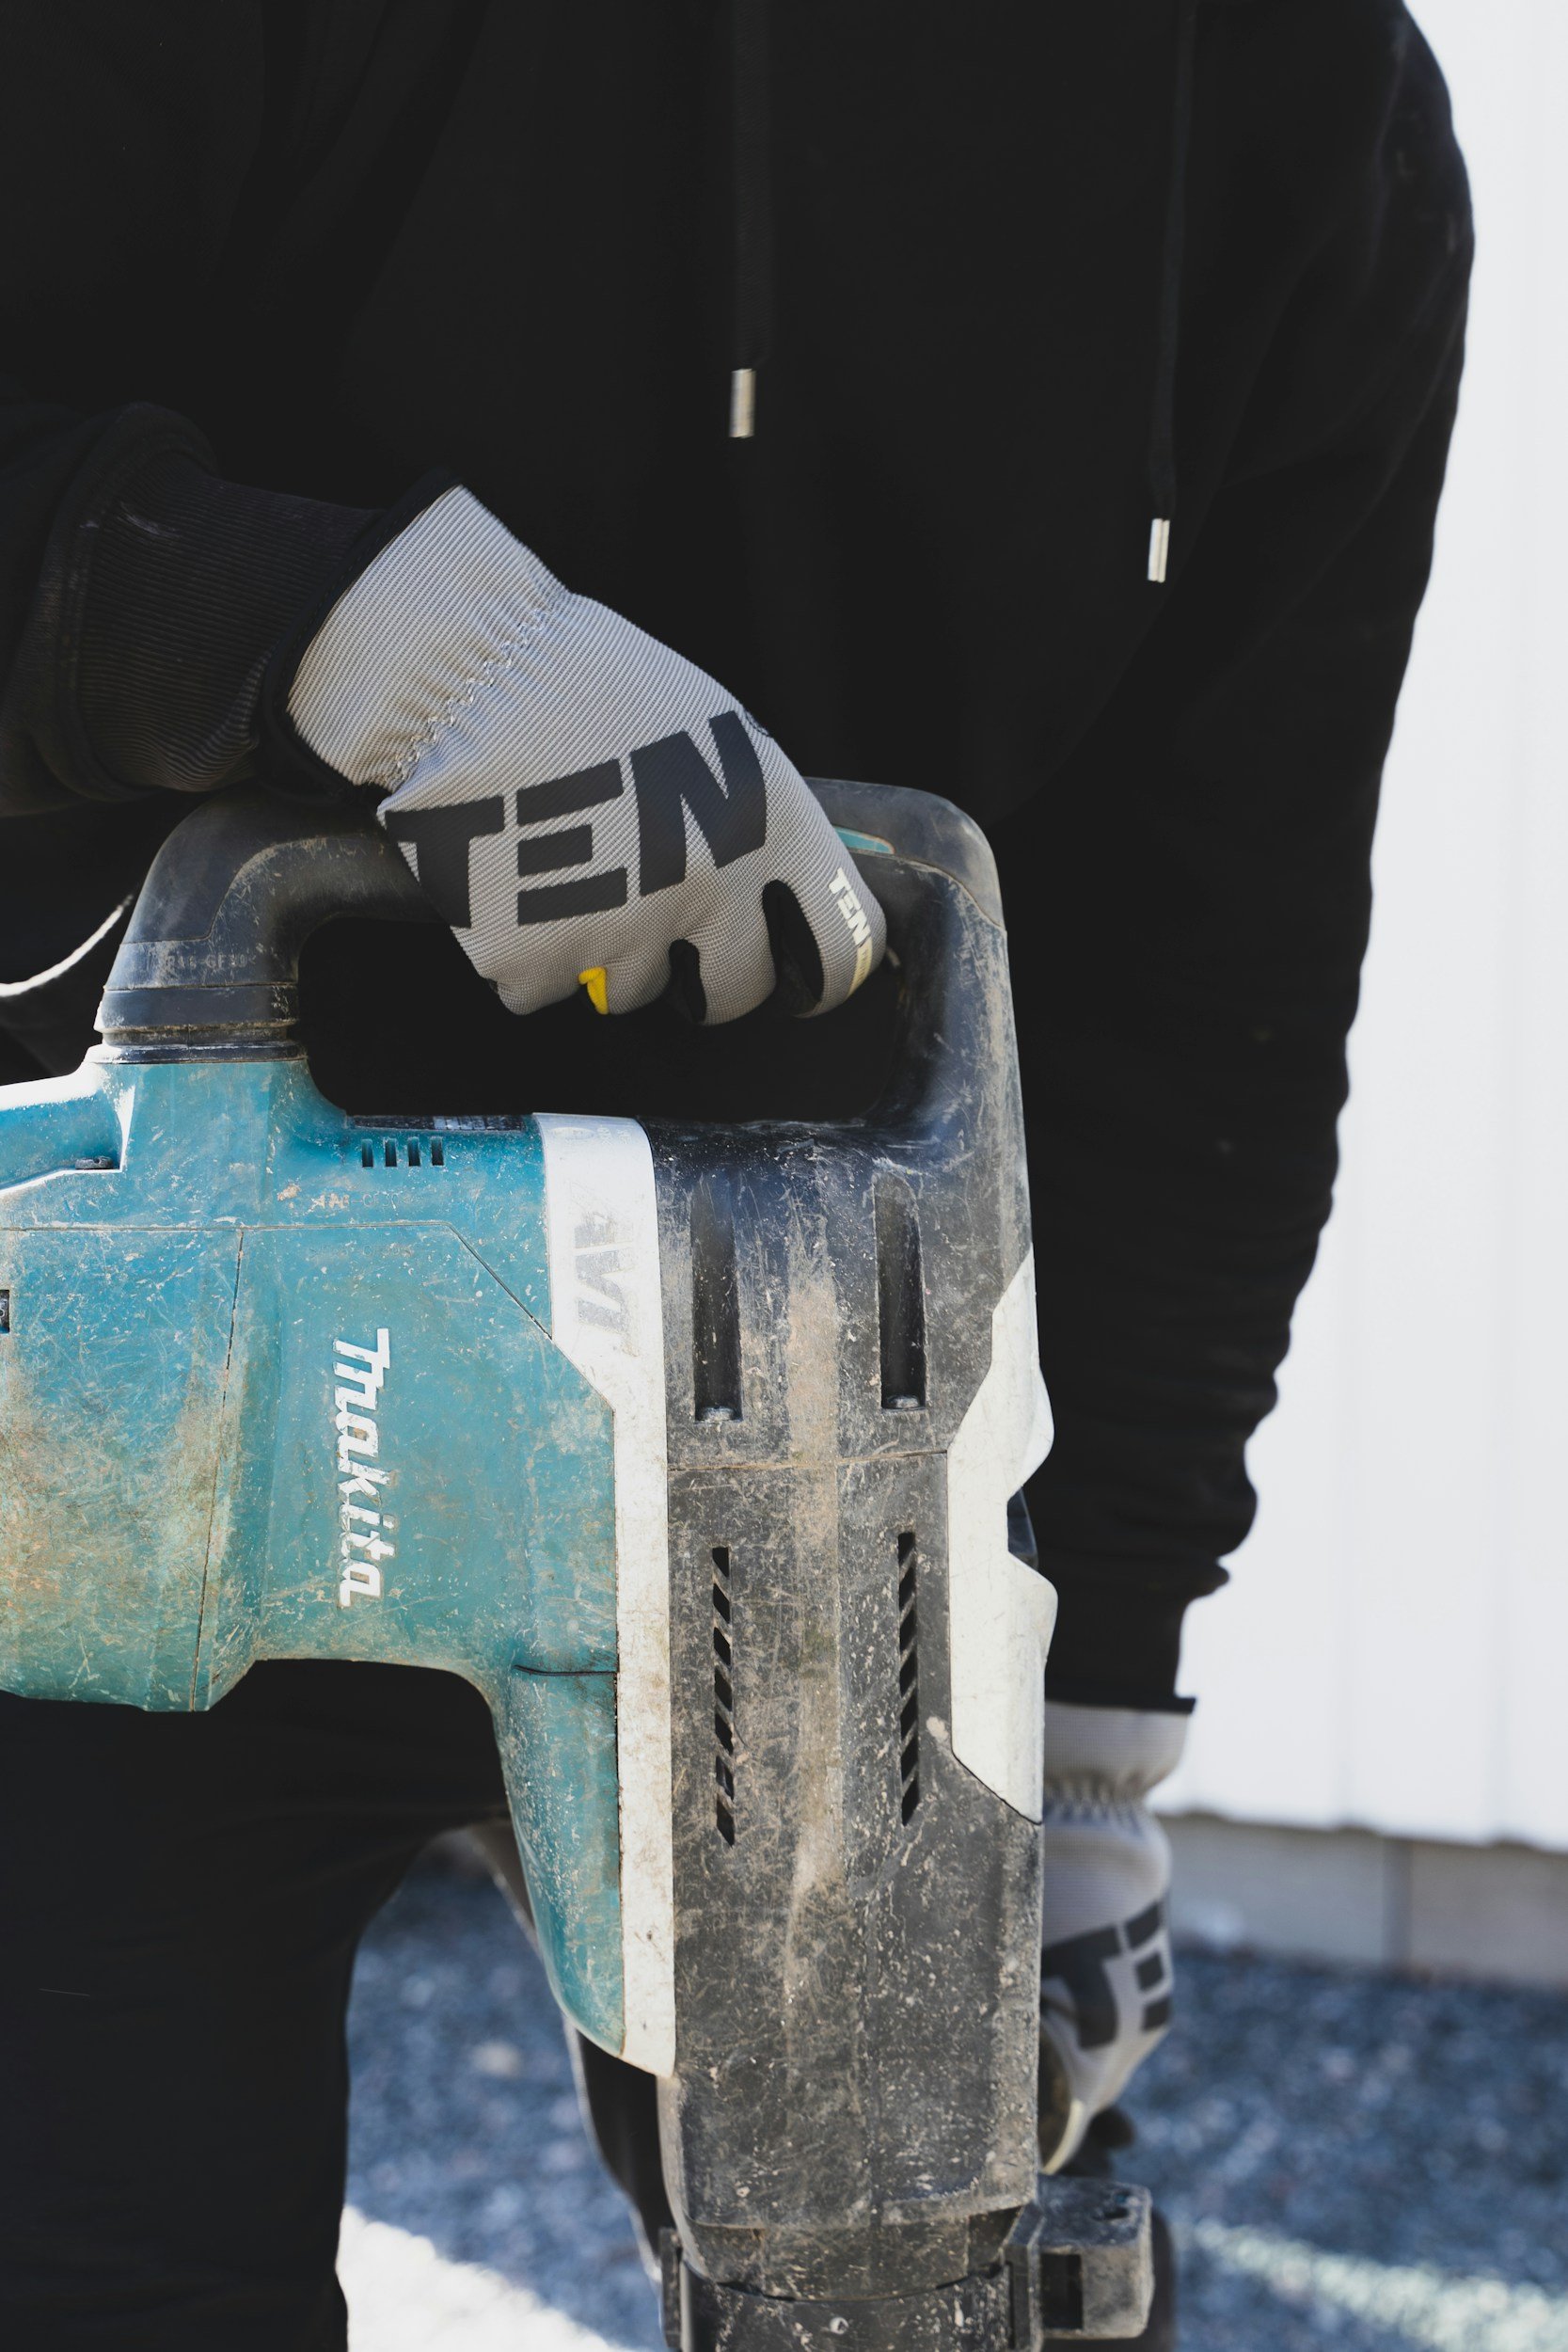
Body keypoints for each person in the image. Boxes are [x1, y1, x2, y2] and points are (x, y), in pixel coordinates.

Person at [0, 4, 1471, 2346]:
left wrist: (1087, 1723)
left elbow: (1214, 982)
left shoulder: (1308, 119)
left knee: (914, 2299)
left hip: (803, 1437)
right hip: (142, 1361)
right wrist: (345, 642)